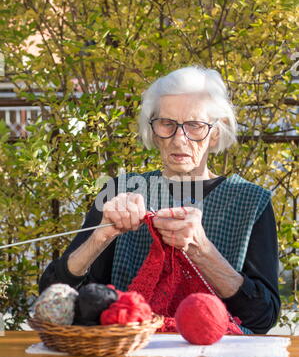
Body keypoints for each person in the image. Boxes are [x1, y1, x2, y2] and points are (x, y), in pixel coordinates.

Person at [39, 66, 281, 334]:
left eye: (194, 125)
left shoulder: (249, 201)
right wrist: (98, 239)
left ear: (215, 133)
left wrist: (202, 251)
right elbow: (56, 300)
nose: (180, 139)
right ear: (153, 130)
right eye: (167, 124)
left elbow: (263, 318)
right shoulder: (120, 191)